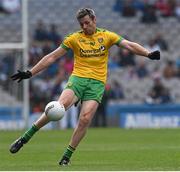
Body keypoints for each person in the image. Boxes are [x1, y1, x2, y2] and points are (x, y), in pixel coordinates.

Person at [9, 8, 160, 166]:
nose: (84, 27)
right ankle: (25, 138)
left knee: (85, 119)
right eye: (81, 24)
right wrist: (30, 72)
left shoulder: (107, 36)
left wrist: (148, 54)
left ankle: (66, 157)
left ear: (94, 20)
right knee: (58, 109)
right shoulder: (74, 38)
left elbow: (129, 45)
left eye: (87, 23)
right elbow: (52, 56)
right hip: (78, 79)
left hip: (97, 84)